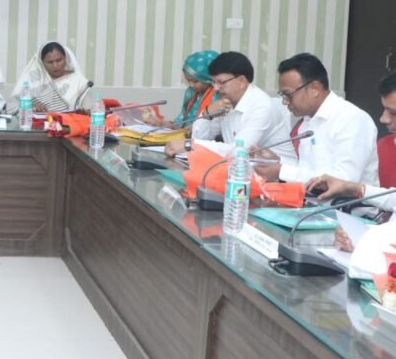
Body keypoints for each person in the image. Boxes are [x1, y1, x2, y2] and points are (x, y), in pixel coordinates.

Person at [254, 53, 378, 187]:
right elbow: (307, 172)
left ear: (315, 89)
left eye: (288, 95)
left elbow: (344, 181)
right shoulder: (307, 122)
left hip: (348, 201)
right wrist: (276, 163)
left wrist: (282, 171)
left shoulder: (352, 119)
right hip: (312, 198)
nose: (284, 102)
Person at [299, 74, 396, 235]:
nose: (383, 119)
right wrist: (353, 188)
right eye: (384, 109)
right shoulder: (386, 145)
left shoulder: (353, 119)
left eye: (393, 113)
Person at [165, 51, 296, 163]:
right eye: (213, 82)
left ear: (241, 81)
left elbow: (238, 151)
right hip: (243, 170)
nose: (216, 88)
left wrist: (190, 144)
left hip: (281, 177)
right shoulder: (227, 101)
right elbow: (201, 138)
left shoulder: (262, 106)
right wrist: (207, 114)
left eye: (221, 82)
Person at [147, 50, 221, 137]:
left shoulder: (218, 96)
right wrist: (161, 124)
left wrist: (193, 129)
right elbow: (180, 122)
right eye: (188, 81)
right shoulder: (192, 93)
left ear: (208, 78)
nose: (191, 85)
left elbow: (214, 129)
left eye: (195, 81)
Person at [12, 41, 89, 113]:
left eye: (59, 60)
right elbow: (11, 108)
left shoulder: (78, 81)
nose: (55, 65)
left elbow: (88, 110)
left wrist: (82, 112)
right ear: (42, 63)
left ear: (66, 58)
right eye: (50, 62)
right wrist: (31, 108)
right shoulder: (33, 81)